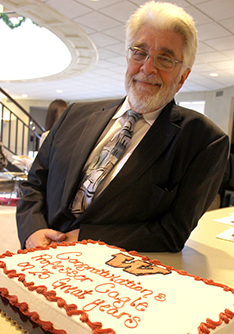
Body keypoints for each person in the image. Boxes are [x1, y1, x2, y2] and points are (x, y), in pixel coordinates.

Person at [17, 1, 229, 252]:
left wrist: (83, 238)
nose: (147, 68)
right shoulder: (75, 114)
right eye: (139, 52)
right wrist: (33, 230)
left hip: (110, 276)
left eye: (165, 59)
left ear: (183, 76)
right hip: (35, 260)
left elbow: (171, 232)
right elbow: (35, 184)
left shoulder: (205, 142)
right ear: (128, 56)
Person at [15, 99, 68, 171]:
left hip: (51, 180)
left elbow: (41, 167)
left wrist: (26, 162)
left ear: (50, 116)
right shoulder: (70, 135)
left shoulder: (48, 136)